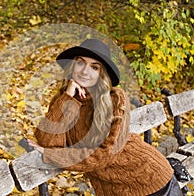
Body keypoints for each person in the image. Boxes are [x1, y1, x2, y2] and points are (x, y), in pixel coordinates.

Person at [28, 39, 182, 196]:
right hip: (114, 189)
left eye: (94, 67)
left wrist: (51, 155)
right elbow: (47, 142)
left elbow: (103, 155)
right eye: (80, 63)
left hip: (151, 180)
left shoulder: (115, 99)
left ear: (101, 74)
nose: (84, 71)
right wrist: (68, 97)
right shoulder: (64, 100)